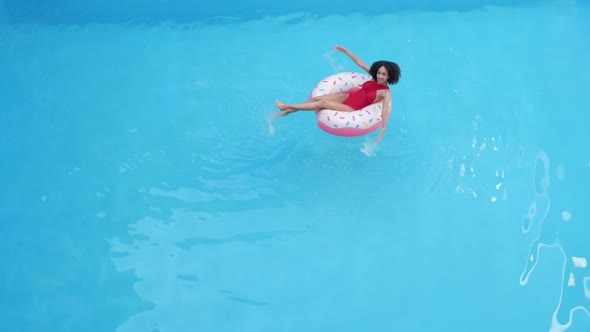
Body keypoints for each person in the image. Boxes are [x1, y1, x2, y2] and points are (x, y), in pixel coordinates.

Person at [274, 45, 401, 142]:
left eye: (383, 74)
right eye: (379, 73)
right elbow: (360, 63)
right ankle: (286, 112)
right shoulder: (374, 77)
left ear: (389, 76)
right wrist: (345, 51)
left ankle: (287, 106)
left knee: (322, 103)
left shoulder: (385, 93)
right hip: (348, 96)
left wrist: (383, 129)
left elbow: (384, 111)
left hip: (352, 107)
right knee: (318, 98)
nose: (380, 76)